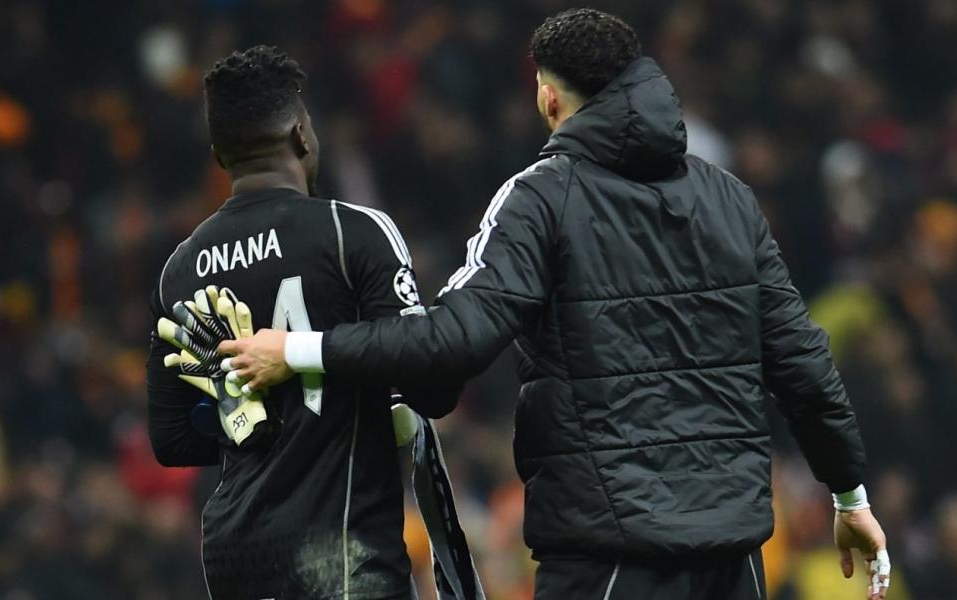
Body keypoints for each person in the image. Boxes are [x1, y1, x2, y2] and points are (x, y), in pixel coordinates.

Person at [220, 10, 890, 600]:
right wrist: (848, 494)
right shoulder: (729, 198)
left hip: (609, 554)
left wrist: (301, 350)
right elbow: (801, 361)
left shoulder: (541, 198)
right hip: (733, 559)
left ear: (547, 95)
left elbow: (454, 342)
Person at [146, 45, 457, 600]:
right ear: (301, 136)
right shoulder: (352, 232)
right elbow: (433, 381)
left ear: (220, 155)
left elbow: (171, 439)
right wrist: (342, 395)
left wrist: (236, 410)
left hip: (234, 557)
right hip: (340, 555)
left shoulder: (181, 269)